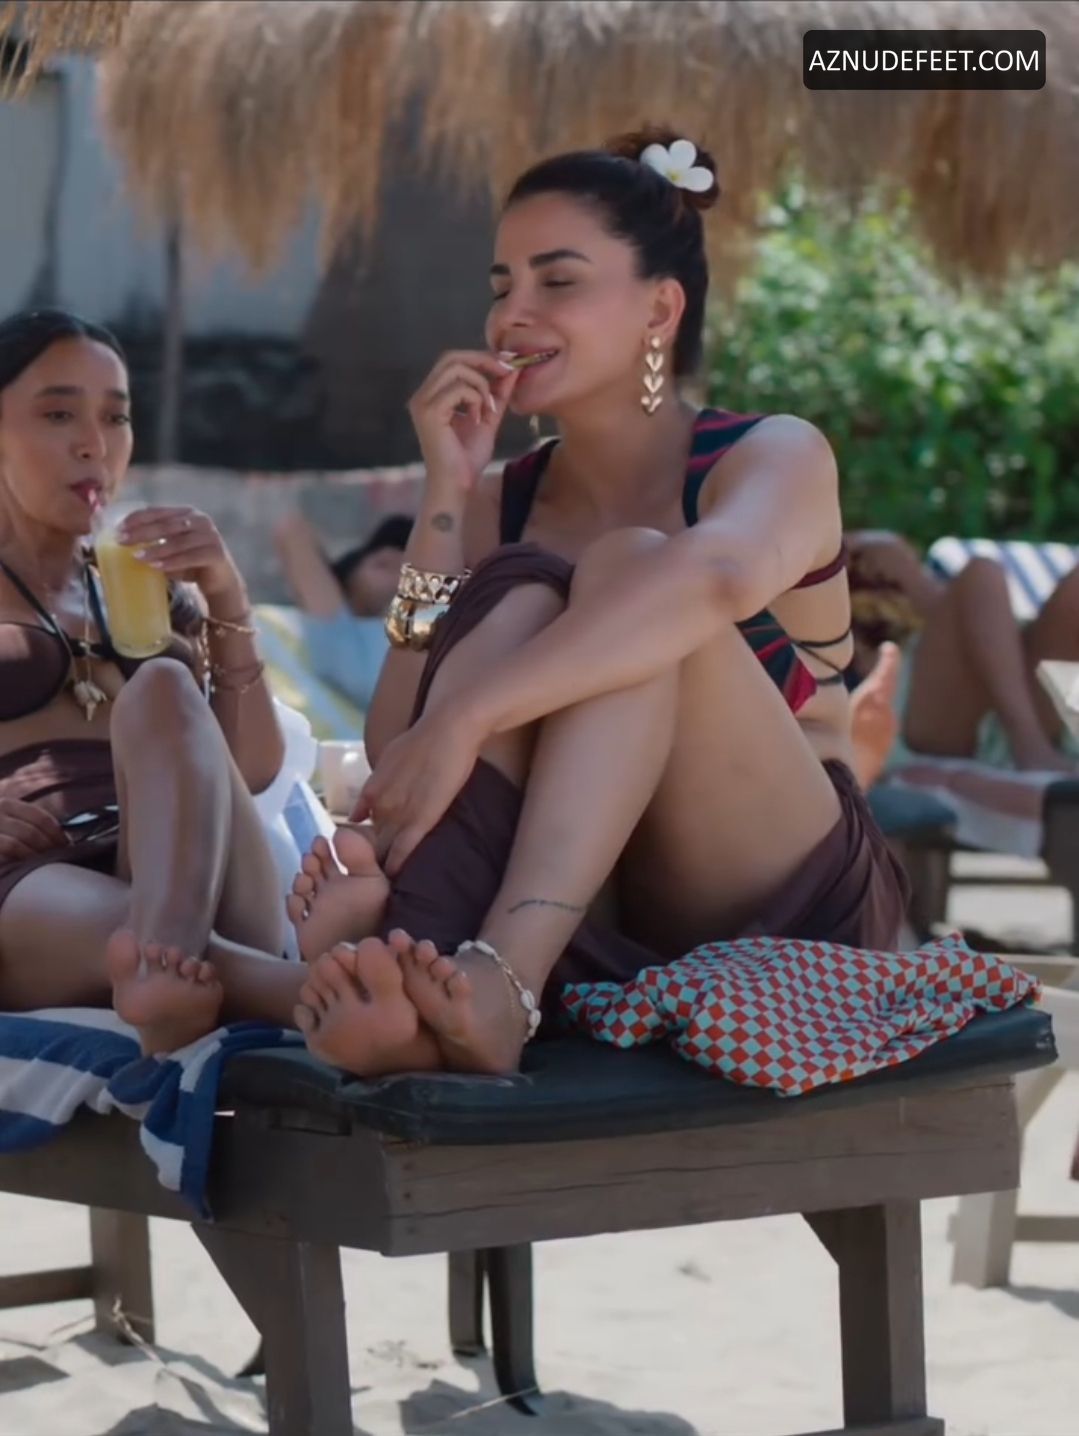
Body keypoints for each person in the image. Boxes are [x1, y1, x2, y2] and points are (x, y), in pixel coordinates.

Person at [283, 126, 910, 1078]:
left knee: (629, 570)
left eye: (558, 281)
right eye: (501, 286)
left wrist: (471, 715)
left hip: (780, 884)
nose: (512, 316)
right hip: (593, 880)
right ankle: (427, 990)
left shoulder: (769, 455)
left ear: (660, 307)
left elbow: (714, 579)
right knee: (524, 595)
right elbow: (398, 742)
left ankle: (497, 976)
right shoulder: (503, 502)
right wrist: (447, 494)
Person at [0, 308, 430, 1071]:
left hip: (199, 863)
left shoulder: (147, 589)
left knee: (164, 685)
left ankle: (166, 972)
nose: (95, 443)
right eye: (58, 414)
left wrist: (226, 596)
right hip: (33, 877)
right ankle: (303, 995)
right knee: (118, 922)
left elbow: (254, 773)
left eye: (115, 417)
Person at [845, 529, 1079, 789]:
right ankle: (1030, 745)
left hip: (1004, 690)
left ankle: (1034, 743)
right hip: (906, 705)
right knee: (982, 574)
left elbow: (934, 602)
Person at [272, 511, 412, 709]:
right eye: (383, 564)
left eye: (408, 567)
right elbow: (292, 531)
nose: (398, 565)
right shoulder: (340, 632)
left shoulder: (435, 642)